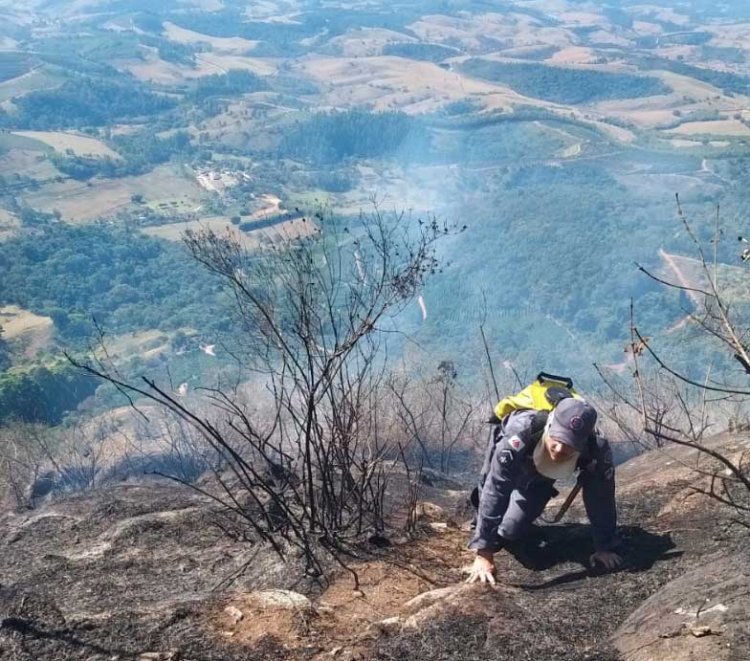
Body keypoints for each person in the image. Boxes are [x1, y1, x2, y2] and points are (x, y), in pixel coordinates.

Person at [466, 397, 622, 584]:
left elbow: (601, 497)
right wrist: (484, 552)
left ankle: (522, 503)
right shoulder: (520, 431)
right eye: (557, 438)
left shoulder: (596, 447)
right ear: (550, 425)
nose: (560, 448)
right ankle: (479, 525)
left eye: (570, 444)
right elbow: (496, 488)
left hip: (539, 480)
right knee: (487, 492)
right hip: (515, 455)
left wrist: (604, 546)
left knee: (508, 531)